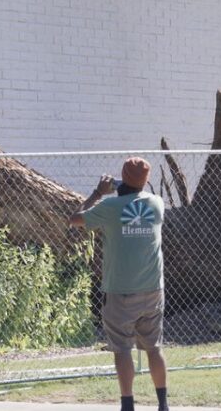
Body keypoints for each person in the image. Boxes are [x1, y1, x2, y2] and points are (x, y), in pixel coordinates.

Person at [68, 157, 168, 411]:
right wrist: (125, 187)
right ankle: (163, 403)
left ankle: (127, 404)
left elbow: (75, 219)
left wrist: (97, 193)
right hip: (152, 289)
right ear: (145, 181)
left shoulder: (110, 206)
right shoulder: (156, 204)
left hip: (121, 290)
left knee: (122, 347)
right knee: (153, 347)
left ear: (123, 179)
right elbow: (135, 198)